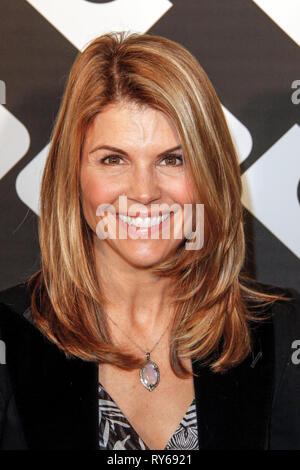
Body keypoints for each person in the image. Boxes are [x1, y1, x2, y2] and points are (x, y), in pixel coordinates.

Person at [0, 32, 299, 451]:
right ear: (73, 177)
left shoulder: (283, 334)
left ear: (210, 175)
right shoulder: (8, 336)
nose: (143, 192)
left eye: (172, 159)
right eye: (113, 159)